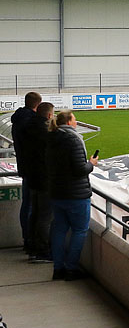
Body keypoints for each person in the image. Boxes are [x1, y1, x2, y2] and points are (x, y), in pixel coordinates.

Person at [47, 111, 98, 281]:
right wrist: (91, 164)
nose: (76, 122)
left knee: (59, 230)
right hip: (75, 194)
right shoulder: (74, 140)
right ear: (69, 122)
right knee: (79, 230)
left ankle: (58, 268)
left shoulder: (50, 138)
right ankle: (71, 269)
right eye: (75, 119)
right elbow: (79, 170)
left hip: (56, 193)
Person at [11, 92, 44, 257]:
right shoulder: (31, 123)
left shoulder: (17, 120)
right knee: (34, 207)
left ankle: (28, 240)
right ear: (37, 105)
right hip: (34, 171)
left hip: (25, 168)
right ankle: (32, 242)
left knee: (28, 205)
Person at [27, 102, 55, 263]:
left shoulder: (28, 127)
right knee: (45, 216)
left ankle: (32, 247)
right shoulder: (45, 132)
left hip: (32, 176)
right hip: (44, 178)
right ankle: (43, 251)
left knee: (36, 212)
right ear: (49, 115)